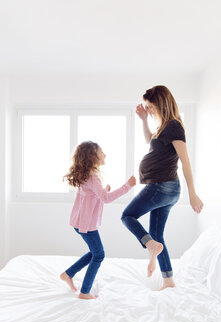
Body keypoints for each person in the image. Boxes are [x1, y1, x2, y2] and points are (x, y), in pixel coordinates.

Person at [121, 85, 203, 290]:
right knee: (157, 234)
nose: (148, 110)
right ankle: (168, 280)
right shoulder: (164, 126)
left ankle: (151, 246)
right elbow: (150, 141)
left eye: (150, 106)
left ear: (160, 103)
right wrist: (144, 121)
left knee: (127, 216)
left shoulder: (174, 126)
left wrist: (192, 194)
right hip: (165, 189)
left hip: (161, 187)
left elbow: (185, 161)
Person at [60, 141, 136, 300]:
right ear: (92, 157)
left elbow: (96, 195)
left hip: (80, 221)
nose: (105, 155)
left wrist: (104, 191)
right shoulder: (93, 177)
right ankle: (85, 291)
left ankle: (68, 274)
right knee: (99, 255)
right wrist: (127, 186)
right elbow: (106, 199)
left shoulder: (85, 175)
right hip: (86, 224)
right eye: (102, 152)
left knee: (95, 252)